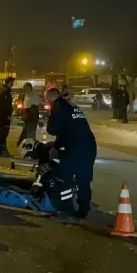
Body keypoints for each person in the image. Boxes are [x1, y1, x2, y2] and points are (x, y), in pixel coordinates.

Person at [44, 87, 97, 222]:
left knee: (62, 178)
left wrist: (50, 115)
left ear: (51, 98)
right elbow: (67, 129)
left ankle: (67, 211)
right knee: (83, 180)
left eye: (46, 99)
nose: (46, 102)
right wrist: (57, 146)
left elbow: (52, 129)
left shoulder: (58, 107)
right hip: (89, 146)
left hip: (74, 148)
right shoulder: (72, 106)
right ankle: (83, 210)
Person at [0, 77, 15, 158]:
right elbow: (6, 105)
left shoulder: (2, 91)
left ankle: (3, 151)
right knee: (4, 133)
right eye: (12, 83)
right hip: (5, 116)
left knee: (3, 133)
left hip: (2, 115)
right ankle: (3, 151)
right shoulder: (5, 92)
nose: (13, 84)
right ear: (8, 83)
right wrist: (8, 115)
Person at [17, 82, 40, 146]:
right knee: (25, 133)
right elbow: (25, 107)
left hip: (32, 118)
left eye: (25, 88)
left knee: (30, 135)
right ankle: (24, 145)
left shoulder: (34, 96)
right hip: (27, 117)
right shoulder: (26, 96)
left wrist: (28, 116)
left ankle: (31, 147)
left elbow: (34, 109)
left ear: (29, 87)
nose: (24, 89)